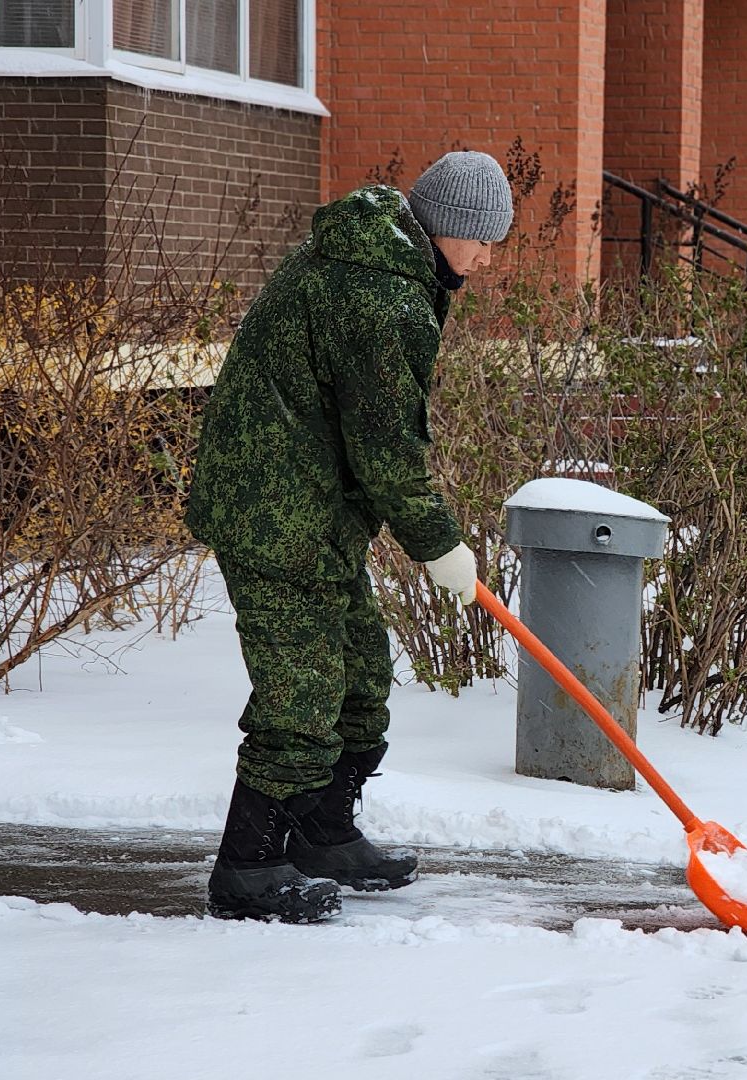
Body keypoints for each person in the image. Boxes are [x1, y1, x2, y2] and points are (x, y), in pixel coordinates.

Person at [184, 151, 513, 922]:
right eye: (484, 240)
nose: (489, 257)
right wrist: (438, 543)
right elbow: (386, 447)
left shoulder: (387, 267)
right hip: (275, 510)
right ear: (450, 229)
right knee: (302, 693)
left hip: (314, 509)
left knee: (360, 679)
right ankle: (248, 868)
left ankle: (322, 833)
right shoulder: (379, 295)